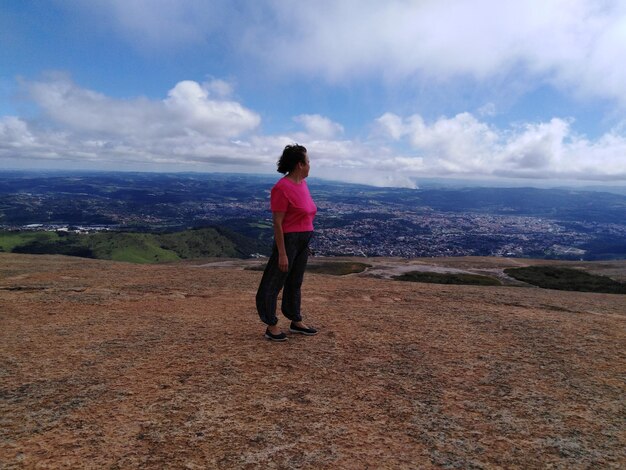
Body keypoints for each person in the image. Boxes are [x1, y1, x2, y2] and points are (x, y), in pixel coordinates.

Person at [256, 144, 319, 341]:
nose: (310, 165)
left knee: (295, 282)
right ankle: (271, 325)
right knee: (273, 282)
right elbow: (277, 222)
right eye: (308, 162)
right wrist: (282, 253)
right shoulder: (282, 188)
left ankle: (295, 320)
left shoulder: (303, 184)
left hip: (303, 240)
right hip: (289, 240)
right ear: (300, 164)